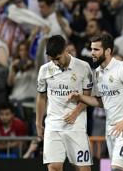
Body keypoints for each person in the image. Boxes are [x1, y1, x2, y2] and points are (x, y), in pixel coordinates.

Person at [69, 33, 123, 171]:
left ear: (108, 51)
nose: (92, 53)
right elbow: (101, 102)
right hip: (110, 129)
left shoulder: (122, 69)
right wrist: (80, 97)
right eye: (92, 49)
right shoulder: (98, 72)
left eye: (96, 50)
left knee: (116, 168)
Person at [36, 35, 93, 171]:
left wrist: (75, 112)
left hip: (76, 124)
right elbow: (41, 97)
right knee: (54, 167)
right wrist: (38, 122)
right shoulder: (44, 70)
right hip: (53, 125)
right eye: (52, 60)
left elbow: (87, 96)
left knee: (83, 168)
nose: (56, 63)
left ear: (66, 50)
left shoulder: (83, 67)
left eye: (58, 59)